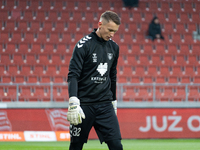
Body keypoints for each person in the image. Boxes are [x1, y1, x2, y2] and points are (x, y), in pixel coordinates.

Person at [67, 11, 123, 150]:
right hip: (84, 105)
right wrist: (73, 101)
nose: (112, 34)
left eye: (115, 31)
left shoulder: (114, 47)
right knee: (76, 146)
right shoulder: (83, 45)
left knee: (116, 145)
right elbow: (73, 75)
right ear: (100, 24)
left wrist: (114, 101)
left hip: (105, 105)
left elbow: (112, 76)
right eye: (110, 30)